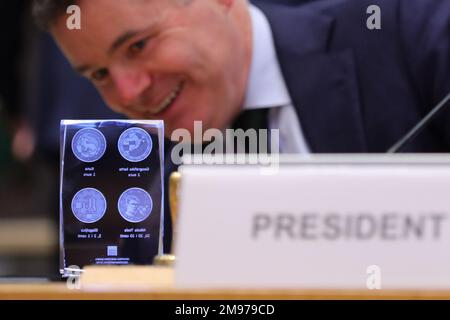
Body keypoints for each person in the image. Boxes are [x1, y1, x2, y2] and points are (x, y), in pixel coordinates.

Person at [32, 0, 450, 250]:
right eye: (99, 75)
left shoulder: (410, 37)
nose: (128, 92)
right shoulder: (153, 216)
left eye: (138, 45)